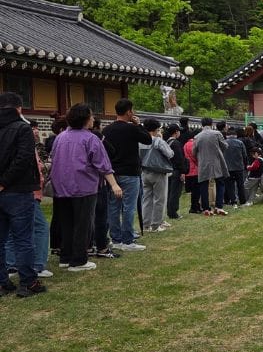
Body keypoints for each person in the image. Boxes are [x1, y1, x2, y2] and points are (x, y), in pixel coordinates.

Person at [50, 103, 123, 271]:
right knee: (83, 224)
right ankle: (79, 260)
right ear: (85, 119)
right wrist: (114, 184)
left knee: (66, 223)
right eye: (91, 116)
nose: (92, 119)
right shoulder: (90, 138)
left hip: (61, 186)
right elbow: (103, 165)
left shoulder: (61, 137)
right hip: (84, 187)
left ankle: (66, 256)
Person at [0, 92, 47, 297]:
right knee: (23, 238)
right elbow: (23, 158)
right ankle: (27, 282)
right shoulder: (22, 128)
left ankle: (3, 281)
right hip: (18, 190)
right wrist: (5, 182)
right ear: (19, 108)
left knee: (1, 239)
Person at [102, 98, 151, 252]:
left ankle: (116, 238)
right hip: (130, 172)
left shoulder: (107, 130)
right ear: (129, 112)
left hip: (112, 173)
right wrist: (139, 124)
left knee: (113, 207)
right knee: (129, 207)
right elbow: (148, 139)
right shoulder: (132, 129)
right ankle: (128, 240)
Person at [139, 118, 173, 232]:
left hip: (144, 172)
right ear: (156, 129)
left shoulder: (140, 141)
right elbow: (170, 153)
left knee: (146, 199)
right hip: (158, 172)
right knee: (159, 199)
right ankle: (155, 225)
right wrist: (161, 138)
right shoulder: (157, 140)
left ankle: (145, 224)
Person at [193, 117, 229, 215]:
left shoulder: (197, 136)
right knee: (220, 183)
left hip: (203, 163)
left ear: (202, 125)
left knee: (204, 185)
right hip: (216, 162)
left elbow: (194, 152)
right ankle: (218, 206)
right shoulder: (217, 134)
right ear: (211, 124)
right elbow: (225, 146)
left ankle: (206, 209)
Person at [165, 124, 185, 220]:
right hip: (176, 170)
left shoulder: (167, 142)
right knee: (175, 193)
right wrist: (183, 172)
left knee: (170, 192)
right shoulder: (176, 143)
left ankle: (170, 211)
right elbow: (180, 159)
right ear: (176, 132)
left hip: (169, 170)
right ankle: (173, 212)